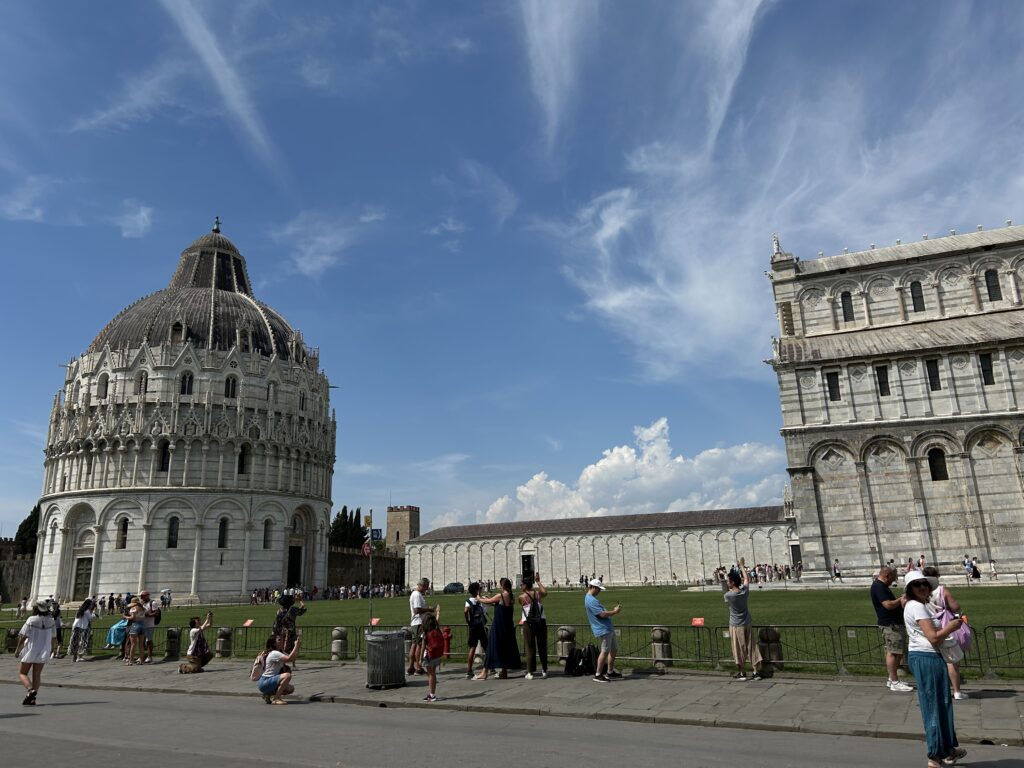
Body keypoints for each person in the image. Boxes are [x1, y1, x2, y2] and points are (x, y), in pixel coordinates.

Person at [903, 570, 967, 768]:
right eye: (917, 584)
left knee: (942, 704)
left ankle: (947, 749)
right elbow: (933, 637)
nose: (922, 587)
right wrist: (953, 626)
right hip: (926, 657)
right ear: (910, 589)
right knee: (933, 707)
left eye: (924, 583)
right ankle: (934, 756)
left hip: (929, 656)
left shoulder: (918, 606)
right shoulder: (917, 607)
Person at [923, 566, 968, 700]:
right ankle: (957, 691)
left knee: (935, 659)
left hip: (929, 625)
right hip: (945, 625)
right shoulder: (942, 590)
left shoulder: (921, 591)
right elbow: (955, 607)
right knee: (951, 660)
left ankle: (939, 690)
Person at [870, 565, 913, 692]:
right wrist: (901, 599)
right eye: (893, 577)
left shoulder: (881, 586)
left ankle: (892, 679)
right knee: (893, 653)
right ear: (887, 575)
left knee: (897, 652)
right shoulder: (878, 586)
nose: (894, 580)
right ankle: (894, 681)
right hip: (890, 625)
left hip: (893, 623)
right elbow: (888, 605)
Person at [724, 558, 763, 681]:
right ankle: (756, 672)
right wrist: (741, 566)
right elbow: (746, 579)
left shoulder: (728, 595)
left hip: (736, 625)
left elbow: (728, 600)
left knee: (738, 648)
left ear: (732, 583)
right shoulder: (744, 592)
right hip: (747, 622)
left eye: (728, 581)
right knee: (751, 646)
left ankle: (742, 673)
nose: (726, 583)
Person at [475, 577, 521, 680]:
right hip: (507, 626)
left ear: (503, 585)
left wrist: (478, 597)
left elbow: (487, 601)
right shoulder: (510, 596)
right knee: (505, 647)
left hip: (499, 625)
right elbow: (499, 604)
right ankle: (504, 672)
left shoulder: (501, 595)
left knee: (492, 647)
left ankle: (485, 671)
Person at [15, 600, 56, 706]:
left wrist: (18, 649)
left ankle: (30, 690)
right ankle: (32, 699)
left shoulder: (31, 619)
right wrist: (53, 649)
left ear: (36, 609)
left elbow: (23, 635)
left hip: (31, 648)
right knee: (36, 674)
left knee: (22, 673)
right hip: (44, 649)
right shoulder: (51, 621)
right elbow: (54, 637)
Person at [584, 578, 622, 683]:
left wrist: (612, 611)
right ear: (593, 587)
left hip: (607, 627)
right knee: (605, 651)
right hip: (603, 628)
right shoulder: (591, 600)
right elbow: (602, 614)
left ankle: (610, 672)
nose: (599, 591)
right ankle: (598, 674)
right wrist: (615, 612)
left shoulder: (591, 599)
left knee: (613, 649)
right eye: (599, 589)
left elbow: (603, 612)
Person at [519, 573, 548, 679]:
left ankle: (530, 672)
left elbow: (522, 605)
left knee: (530, 647)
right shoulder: (538, 594)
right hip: (541, 621)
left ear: (526, 585)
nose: (521, 586)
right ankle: (544, 670)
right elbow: (545, 592)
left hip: (528, 623)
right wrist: (538, 582)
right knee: (542, 646)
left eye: (522, 584)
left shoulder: (522, 597)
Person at [257, 634, 301, 704]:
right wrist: (296, 646)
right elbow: (289, 659)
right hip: (265, 681)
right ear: (274, 643)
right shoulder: (274, 653)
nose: (282, 641)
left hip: (270, 681)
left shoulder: (280, 652)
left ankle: (267, 694)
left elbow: (293, 659)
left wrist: (297, 647)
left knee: (290, 689)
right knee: (287, 675)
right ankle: (276, 698)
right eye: (279, 640)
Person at [408, 578, 435, 676]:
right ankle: (418, 668)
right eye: (426, 587)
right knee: (419, 645)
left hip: (415, 623)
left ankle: (411, 667)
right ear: (422, 586)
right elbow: (417, 610)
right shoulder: (417, 595)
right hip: (419, 623)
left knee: (414, 644)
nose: (426, 590)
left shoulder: (415, 594)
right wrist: (429, 610)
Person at [463, 581, 488, 679]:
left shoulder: (468, 601)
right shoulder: (481, 600)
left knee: (472, 648)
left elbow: (465, 611)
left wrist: (467, 620)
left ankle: (469, 670)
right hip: (481, 626)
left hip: (473, 625)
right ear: (477, 590)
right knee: (486, 647)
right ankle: (490, 666)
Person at [273, 592, 306, 658]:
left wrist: (275, 632)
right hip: (291, 632)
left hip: (281, 632)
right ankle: (293, 663)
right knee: (293, 648)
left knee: (281, 649)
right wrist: (300, 600)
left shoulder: (279, 611)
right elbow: (302, 609)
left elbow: (277, 623)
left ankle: (282, 663)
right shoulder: (293, 610)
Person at [421, 613, 444, 702]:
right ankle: (432, 693)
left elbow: (423, 647)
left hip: (429, 656)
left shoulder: (425, 633)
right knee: (433, 674)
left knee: (431, 675)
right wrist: (438, 613)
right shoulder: (437, 630)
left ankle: (432, 694)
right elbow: (437, 621)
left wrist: (420, 659)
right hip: (436, 655)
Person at [124, 596, 146, 665]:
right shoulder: (143, 608)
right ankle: (141, 660)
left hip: (135, 624)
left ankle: (131, 660)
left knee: (133, 644)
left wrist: (125, 617)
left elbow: (132, 617)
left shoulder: (133, 608)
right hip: (142, 625)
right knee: (141, 644)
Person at [140, 590, 160, 663]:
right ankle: (142, 656)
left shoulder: (153, 603)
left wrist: (148, 615)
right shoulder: (143, 603)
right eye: (141, 597)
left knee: (148, 640)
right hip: (142, 624)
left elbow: (156, 613)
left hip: (150, 624)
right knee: (142, 641)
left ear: (147, 596)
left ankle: (149, 656)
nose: (141, 598)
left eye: (143, 597)